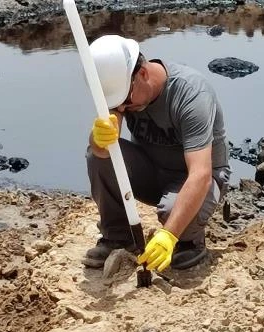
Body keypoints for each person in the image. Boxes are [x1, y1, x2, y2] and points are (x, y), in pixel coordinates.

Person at [82, 34, 231, 272]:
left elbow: (200, 174)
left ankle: (189, 241)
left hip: (200, 179)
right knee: (97, 155)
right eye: (116, 103)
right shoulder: (123, 92)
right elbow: (102, 152)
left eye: (126, 102)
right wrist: (99, 139)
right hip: (153, 170)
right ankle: (118, 237)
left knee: (173, 211)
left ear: (142, 74)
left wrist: (168, 235)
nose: (121, 108)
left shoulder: (190, 94)